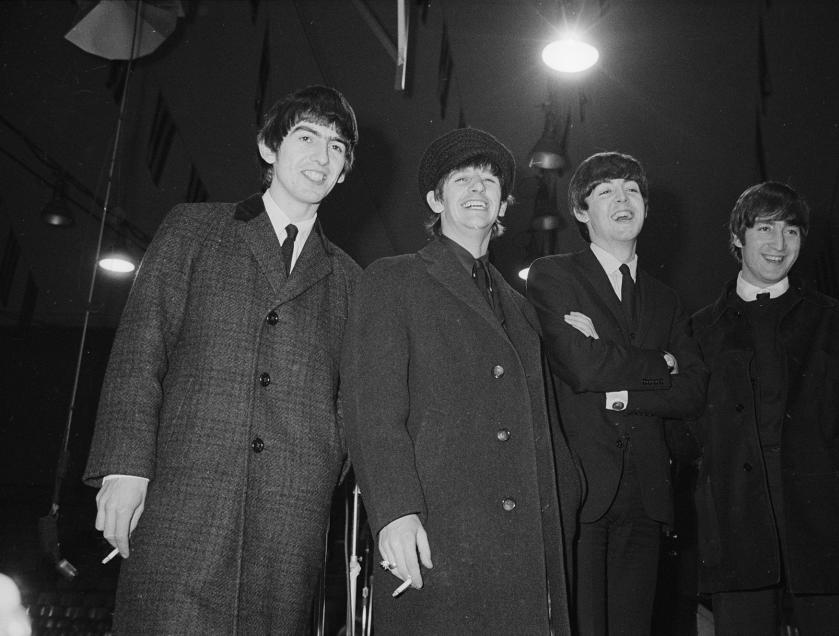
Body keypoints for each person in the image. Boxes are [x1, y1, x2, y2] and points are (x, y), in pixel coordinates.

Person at [82, 85, 362, 633]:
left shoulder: (350, 278)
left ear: (345, 170)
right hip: (181, 502)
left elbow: (353, 400)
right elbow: (142, 348)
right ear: (268, 148)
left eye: (336, 147)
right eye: (307, 137)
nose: (322, 156)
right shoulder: (194, 228)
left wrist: (323, 465)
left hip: (290, 521)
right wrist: (125, 466)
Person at [340, 127, 580, 635]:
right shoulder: (392, 279)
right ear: (435, 198)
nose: (478, 189)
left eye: (490, 181)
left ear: (504, 205)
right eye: (462, 179)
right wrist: (395, 511)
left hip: (523, 550)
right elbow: (371, 412)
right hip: (438, 534)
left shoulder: (519, 307)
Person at [689, 181, 839, 635]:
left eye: (791, 231)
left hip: (829, 534)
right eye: (765, 228)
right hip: (737, 535)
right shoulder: (699, 331)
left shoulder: (835, 320)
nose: (779, 244)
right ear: (737, 237)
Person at [525, 151, 707, 635]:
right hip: (582, 489)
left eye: (632, 191)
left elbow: (690, 390)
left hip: (647, 496)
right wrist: (657, 366)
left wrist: (621, 390)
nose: (622, 200)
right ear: (582, 212)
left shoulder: (667, 299)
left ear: (646, 206)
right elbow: (581, 366)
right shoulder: (553, 274)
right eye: (606, 191)